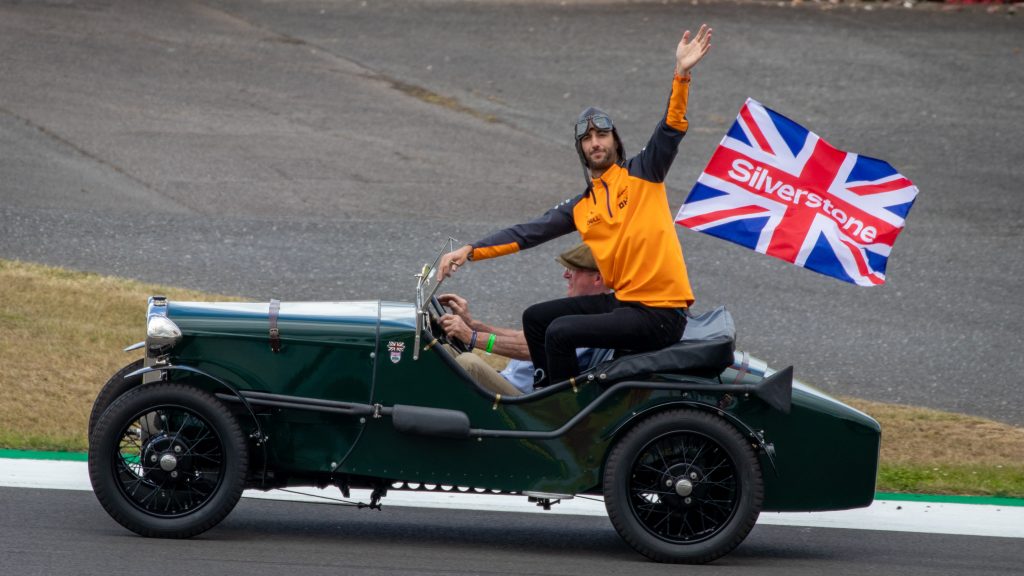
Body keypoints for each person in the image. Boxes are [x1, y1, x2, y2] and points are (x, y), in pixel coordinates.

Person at [438, 25, 713, 388]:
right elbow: (528, 233)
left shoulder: (645, 172)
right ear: (581, 150)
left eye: (601, 135)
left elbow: (671, 128)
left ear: (615, 141)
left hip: (661, 315)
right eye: (587, 139)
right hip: (626, 305)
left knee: (562, 332)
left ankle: (562, 414)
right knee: (537, 318)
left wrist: (681, 74)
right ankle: (543, 392)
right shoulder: (582, 205)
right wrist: (469, 251)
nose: (595, 143)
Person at [438, 243, 610, 396]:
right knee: (442, 351)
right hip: (510, 382)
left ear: (597, 278)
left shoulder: (592, 323)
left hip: (528, 401)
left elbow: (533, 350)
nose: (566, 275)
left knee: (468, 363)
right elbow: (524, 337)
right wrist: (473, 325)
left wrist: (472, 337)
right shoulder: (577, 312)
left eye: (573, 269)